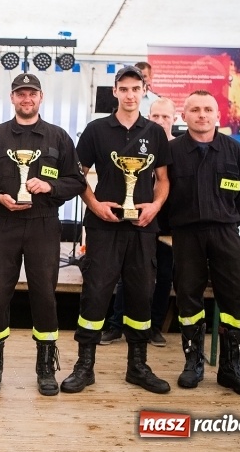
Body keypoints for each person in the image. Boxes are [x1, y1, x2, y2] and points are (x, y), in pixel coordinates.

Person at [0, 74, 86, 395]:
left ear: (41, 97)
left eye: (31, 94)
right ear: (12, 98)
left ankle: (45, 367)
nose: (26, 99)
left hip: (43, 224)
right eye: (20, 94)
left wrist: (50, 185)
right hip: (3, 224)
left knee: (44, 296)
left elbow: (76, 182)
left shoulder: (58, 138)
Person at [61, 66, 171, 395]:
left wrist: (154, 207)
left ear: (144, 91)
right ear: (115, 91)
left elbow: (163, 181)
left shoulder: (154, 133)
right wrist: (94, 205)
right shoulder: (96, 130)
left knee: (140, 295)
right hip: (103, 227)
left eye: (136, 89)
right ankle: (85, 366)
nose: (130, 94)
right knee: (95, 294)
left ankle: (137, 366)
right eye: (124, 89)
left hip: (142, 228)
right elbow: (78, 175)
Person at [165, 90, 240, 397]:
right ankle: (193, 362)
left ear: (219, 115)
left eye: (208, 109)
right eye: (195, 109)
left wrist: (226, 219)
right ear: (184, 116)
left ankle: (232, 368)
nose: (201, 115)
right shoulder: (172, 152)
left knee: (237, 295)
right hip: (187, 234)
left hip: (225, 232)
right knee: (188, 296)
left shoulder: (235, 151)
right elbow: (162, 193)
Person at [100, 97, 177, 347]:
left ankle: (153, 327)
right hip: (135, 221)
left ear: (175, 119)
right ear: (148, 116)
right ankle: (116, 324)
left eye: (166, 117)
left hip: (167, 223)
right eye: (156, 116)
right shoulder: (139, 141)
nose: (161, 121)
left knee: (163, 276)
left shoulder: (181, 148)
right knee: (128, 275)